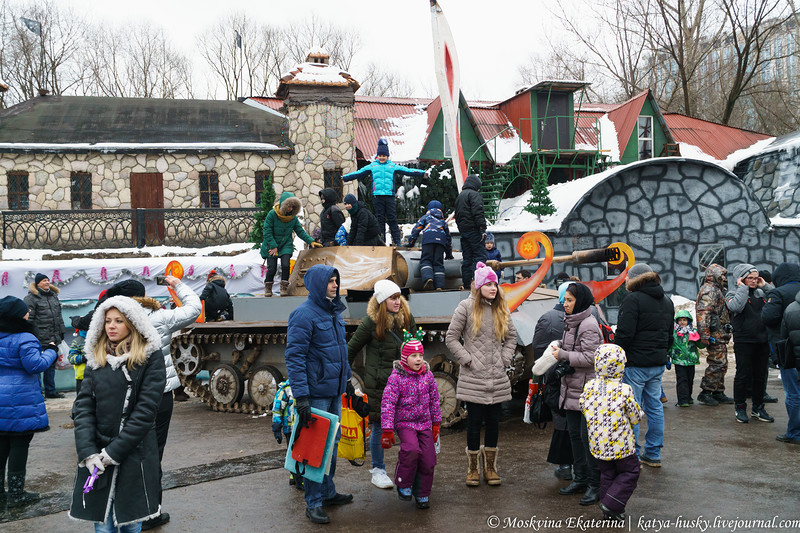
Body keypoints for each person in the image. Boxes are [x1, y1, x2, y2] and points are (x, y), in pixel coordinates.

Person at [105, 277, 201, 530]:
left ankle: (120, 510)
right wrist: (176, 283)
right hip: (159, 396)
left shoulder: (113, 320)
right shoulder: (159, 317)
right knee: (152, 454)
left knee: (121, 450)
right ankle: (150, 512)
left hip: (122, 395)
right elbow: (194, 308)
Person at [69, 296, 166, 533]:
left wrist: (113, 453)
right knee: (103, 527)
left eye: (119, 321)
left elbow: (145, 412)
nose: (111, 326)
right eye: (107, 321)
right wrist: (88, 452)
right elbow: (83, 409)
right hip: (96, 456)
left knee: (131, 524)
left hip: (135, 453)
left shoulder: (150, 358)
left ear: (132, 323)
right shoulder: (96, 358)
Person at [285, 264, 353, 524]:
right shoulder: (303, 315)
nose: (335, 285)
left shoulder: (334, 312)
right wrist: (301, 396)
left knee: (332, 445)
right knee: (315, 449)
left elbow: (340, 351)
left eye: (336, 281)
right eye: (330, 281)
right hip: (316, 394)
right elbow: (294, 357)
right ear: (317, 284)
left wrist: (347, 381)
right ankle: (312, 503)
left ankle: (327, 492)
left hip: (333, 391)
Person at [445, 262, 517, 487]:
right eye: (488, 284)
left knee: (494, 423)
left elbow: (512, 338)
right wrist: (467, 359)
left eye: (495, 283)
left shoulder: (501, 308)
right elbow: (451, 338)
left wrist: (504, 358)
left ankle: (491, 468)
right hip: (474, 376)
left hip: (496, 376)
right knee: (474, 422)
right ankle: (473, 470)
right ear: (478, 286)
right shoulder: (465, 308)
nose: (493, 287)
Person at [347, 279, 415, 490]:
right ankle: (378, 470)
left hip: (404, 383)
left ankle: (408, 469)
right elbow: (350, 349)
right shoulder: (371, 322)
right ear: (382, 301)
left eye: (398, 297)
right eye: (393, 298)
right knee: (378, 427)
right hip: (380, 385)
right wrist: (347, 380)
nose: (398, 302)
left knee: (407, 425)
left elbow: (415, 347)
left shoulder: (406, 319)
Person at [614, 263, 674, 468]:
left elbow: (625, 334)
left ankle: (632, 456)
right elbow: (669, 334)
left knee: (632, 409)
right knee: (655, 407)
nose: (625, 281)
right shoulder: (666, 300)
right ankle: (653, 453)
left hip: (635, 364)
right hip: (656, 363)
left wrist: (617, 353)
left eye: (627, 278)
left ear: (635, 279)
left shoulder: (632, 299)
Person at [0, 296, 57, 508]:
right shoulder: (25, 337)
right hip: (20, 399)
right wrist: (51, 350)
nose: (28, 313)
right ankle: (16, 494)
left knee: (2, 445)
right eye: (25, 311)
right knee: (19, 445)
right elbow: (35, 365)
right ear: (18, 315)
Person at [579, 344, 643, 521]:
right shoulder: (624, 390)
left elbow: (583, 406)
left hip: (598, 443)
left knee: (607, 474)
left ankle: (609, 511)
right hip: (621, 444)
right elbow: (635, 416)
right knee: (631, 471)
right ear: (621, 365)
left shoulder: (589, 386)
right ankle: (612, 503)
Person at [552, 282, 602, 506]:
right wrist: (560, 345)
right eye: (565, 299)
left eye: (570, 300)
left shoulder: (588, 324)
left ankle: (594, 485)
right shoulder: (571, 322)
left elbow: (591, 358)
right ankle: (580, 479)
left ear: (580, 300)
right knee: (575, 437)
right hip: (572, 388)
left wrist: (562, 354)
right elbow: (574, 348)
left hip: (586, 390)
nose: (565, 304)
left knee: (587, 439)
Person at [380, 331, 441, 509]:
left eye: (420, 355)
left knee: (429, 459)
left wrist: (436, 423)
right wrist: (387, 428)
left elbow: (435, 399)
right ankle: (403, 483)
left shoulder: (428, 376)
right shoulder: (396, 378)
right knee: (411, 450)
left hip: (424, 423)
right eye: (413, 355)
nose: (418, 359)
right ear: (405, 358)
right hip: (405, 423)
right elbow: (388, 404)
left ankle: (422, 493)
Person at [342, 138, 426, 246]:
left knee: (392, 219)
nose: (382, 158)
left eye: (384, 156)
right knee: (380, 220)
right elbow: (359, 173)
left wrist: (422, 173)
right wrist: (345, 178)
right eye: (380, 156)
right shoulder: (373, 166)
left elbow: (408, 171)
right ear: (377, 156)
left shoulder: (392, 166)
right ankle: (381, 242)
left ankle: (397, 241)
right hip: (377, 197)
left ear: (387, 156)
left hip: (389, 196)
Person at [531, 281, 573, 482]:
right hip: (577, 375)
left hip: (554, 377)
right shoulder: (589, 315)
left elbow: (538, 350)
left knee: (560, 417)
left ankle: (564, 464)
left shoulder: (547, 318)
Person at [725, 264, 774, 423]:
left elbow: (777, 298)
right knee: (743, 375)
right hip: (744, 341)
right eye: (750, 278)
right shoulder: (732, 293)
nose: (754, 281)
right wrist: (742, 288)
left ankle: (758, 408)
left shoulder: (760, 293)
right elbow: (736, 306)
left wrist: (765, 285)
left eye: (755, 277)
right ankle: (740, 407)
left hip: (762, 340)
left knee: (760, 376)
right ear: (741, 279)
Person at [762, 263, 800, 444]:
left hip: (788, 353)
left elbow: (768, 317)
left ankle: (794, 433)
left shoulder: (778, 294)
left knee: (793, 394)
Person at [260, 191, 322, 297]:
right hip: (271, 245)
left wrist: (310, 241)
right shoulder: (272, 214)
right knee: (272, 268)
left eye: (293, 207)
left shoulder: (292, 218)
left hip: (285, 244)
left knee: (286, 265)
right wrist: (273, 246)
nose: (290, 209)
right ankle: (268, 287)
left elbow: (300, 231)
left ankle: (284, 287)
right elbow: (267, 231)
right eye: (289, 206)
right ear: (283, 205)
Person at [695, 263, 734, 406]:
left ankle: (718, 391)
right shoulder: (709, 290)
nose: (724, 278)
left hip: (720, 332)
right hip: (714, 333)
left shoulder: (717, 289)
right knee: (717, 363)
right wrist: (704, 334)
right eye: (722, 275)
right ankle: (706, 392)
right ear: (714, 276)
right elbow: (703, 313)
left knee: (722, 363)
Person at [24, 273, 65, 399]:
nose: (47, 282)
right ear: (37, 284)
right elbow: (28, 319)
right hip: (38, 337)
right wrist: (31, 336)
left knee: (51, 365)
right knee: (37, 366)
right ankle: (37, 393)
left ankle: (50, 391)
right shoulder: (31, 298)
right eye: (43, 281)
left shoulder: (53, 296)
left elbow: (59, 317)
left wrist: (61, 332)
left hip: (53, 336)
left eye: (48, 280)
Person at [407, 200, 454, 290]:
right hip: (441, 242)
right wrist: (449, 253)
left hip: (428, 239)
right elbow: (448, 239)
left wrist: (411, 243)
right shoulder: (443, 222)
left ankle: (428, 278)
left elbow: (416, 229)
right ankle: (439, 286)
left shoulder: (426, 218)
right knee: (438, 263)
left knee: (426, 260)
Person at [454, 174, 487, 288]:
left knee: (467, 259)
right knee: (480, 257)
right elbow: (478, 211)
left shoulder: (460, 196)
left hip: (464, 232)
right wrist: (482, 228)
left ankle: (467, 284)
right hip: (474, 231)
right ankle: (479, 283)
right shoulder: (474, 195)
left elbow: (457, 216)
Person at [271, 378, 303, 490]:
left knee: (299, 453)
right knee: (293, 453)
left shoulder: (305, 387)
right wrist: (276, 428)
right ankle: (297, 478)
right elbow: (277, 409)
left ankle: (295, 475)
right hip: (290, 429)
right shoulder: (285, 390)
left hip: (302, 429)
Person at [779, 284, 800, 444]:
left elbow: (784, 337)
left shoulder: (791, 309)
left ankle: (794, 433)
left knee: (793, 396)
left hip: (794, 361)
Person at [668, 310, 701, 407]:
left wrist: (705, 340)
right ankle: (682, 400)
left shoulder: (693, 332)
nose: (682, 322)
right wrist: (668, 356)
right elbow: (670, 345)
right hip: (679, 360)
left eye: (684, 320)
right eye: (680, 320)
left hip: (691, 360)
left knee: (690, 379)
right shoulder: (674, 333)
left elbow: (700, 345)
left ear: (689, 321)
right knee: (682, 380)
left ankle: (688, 397)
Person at [68, 312, 93, 395]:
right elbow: (71, 357)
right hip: (81, 376)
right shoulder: (78, 341)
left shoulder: (98, 339)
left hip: (97, 376)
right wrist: (83, 358)